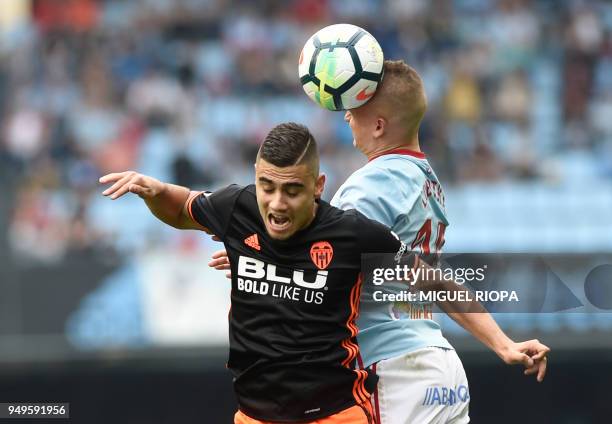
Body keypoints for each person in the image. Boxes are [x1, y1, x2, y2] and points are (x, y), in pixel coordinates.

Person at [209, 61, 550, 424]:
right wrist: (503, 344)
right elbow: (436, 282)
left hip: (391, 373)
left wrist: (260, 257)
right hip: (440, 367)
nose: (346, 119)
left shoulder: (371, 184)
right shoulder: (426, 181)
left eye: (354, 110)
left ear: (378, 125)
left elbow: (324, 258)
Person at [99, 122, 414, 424]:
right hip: (254, 416)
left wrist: (422, 334)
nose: (277, 204)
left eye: (292, 190)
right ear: (256, 177)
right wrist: (157, 192)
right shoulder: (239, 208)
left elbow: (431, 280)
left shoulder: (352, 233)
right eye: (268, 187)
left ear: (318, 186)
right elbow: (181, 208)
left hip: (335, 414)